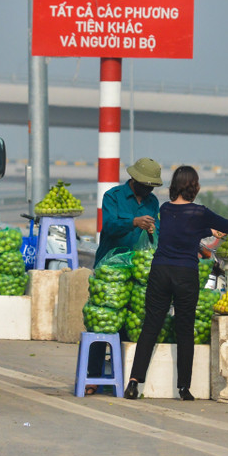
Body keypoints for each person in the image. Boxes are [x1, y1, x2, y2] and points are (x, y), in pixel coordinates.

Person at [124, 165, 228, 401]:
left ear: (174, 187)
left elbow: (183, 228)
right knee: (184, 329)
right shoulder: (199, 212)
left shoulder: (165, 209)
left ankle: (133, 382)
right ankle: (183, 388)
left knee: (151, 326)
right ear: (195, 187)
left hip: (160, 271)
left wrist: (206, 229)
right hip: (185, 274)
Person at [86, 157, 162, 392]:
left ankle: (125, 375)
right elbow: (108, 226)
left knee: (132, 321)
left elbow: (156, 232)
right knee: (104, 322)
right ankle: (93, 376)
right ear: (135, 180)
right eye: (146, 185)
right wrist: (133, 222)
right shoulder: (113, 196)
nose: (148, 189)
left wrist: (151, 229)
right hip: (111, 270)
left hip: (138, 270)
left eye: (152, 186)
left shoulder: (153, 202)